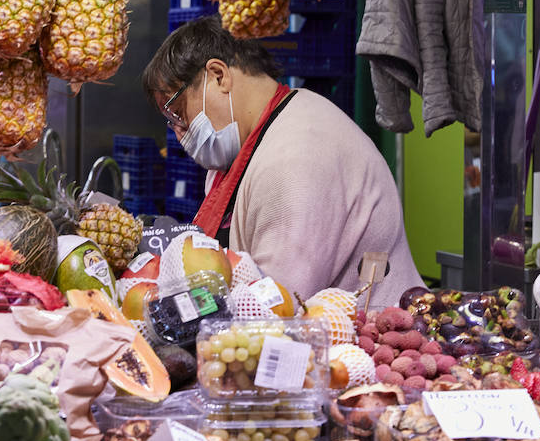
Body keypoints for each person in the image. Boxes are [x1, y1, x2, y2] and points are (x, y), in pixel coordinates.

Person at [142, 16, 424, 300]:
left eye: (178, 112)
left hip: (367, 336)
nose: (180, 133)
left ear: (219, 75)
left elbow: (278, 303)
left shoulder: (296, 155)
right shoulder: (252, 144)